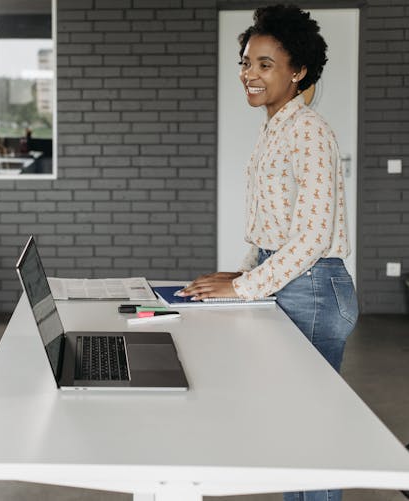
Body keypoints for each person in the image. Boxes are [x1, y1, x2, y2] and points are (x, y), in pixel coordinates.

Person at [180, 7, 358, 500]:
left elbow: (312, 237)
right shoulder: (273, 128)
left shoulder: (308, 130)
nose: (248, 75)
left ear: (297, 70)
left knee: (311, 436)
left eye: (264, 64)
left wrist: (242, 287)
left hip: (315, 291)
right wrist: (240, 270)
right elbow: (274, 227)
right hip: (290, 281)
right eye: (245, 63)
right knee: (291, 432)